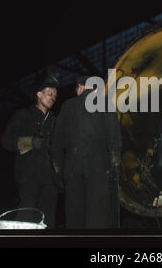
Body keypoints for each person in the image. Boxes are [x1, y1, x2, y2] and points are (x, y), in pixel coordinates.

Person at [50, 75, 122, 229]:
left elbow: (55, 143)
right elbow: (114, 139)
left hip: (72, 168)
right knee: (97, 215)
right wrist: (114, 167)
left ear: (80, 87)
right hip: (98, 167)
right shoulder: (104, 103)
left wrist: (59, 172)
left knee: (74, 215)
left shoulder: (67, 106)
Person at [1, 67, 60, 228]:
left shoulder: (54, 121)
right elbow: (6, 141)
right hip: (29, 177)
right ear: (39, 94)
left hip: (50, 179)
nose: (53, 98)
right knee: (27, 217)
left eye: (55, 96)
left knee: (48, 220)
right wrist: (30, 142)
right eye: (49, 94)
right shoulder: (23, 115)